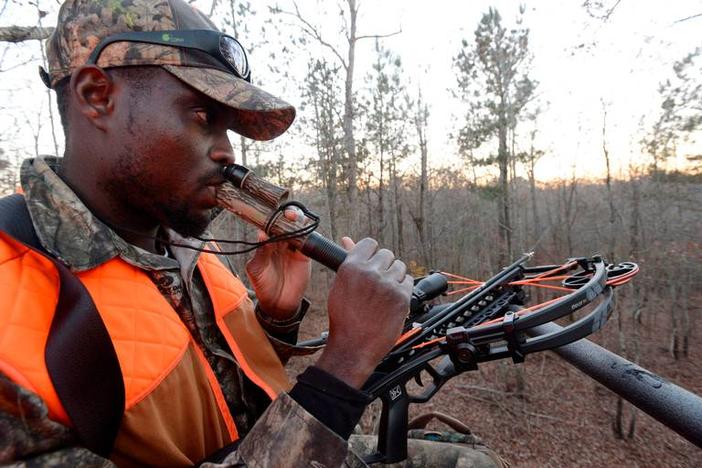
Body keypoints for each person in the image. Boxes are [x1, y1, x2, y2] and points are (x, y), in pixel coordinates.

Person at [0, 0, 503, 466]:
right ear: (96, 95)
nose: (227, 152)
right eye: (202, 116)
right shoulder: (12, 294)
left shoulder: (184, 241)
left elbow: (214, 394)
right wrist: (344, 365)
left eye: (229, 129)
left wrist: (275, 321)